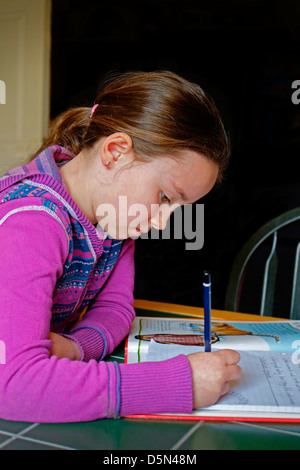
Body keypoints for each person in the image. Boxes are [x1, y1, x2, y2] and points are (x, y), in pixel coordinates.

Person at [0, 70, 241, 423]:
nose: (162, 223)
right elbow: (14, 385)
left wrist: (77, 347)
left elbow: (116, 310)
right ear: (115, 152)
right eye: (164, 197)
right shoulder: (30, 221)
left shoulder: (112, 219)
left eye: (179, 209)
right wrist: (179, 384)